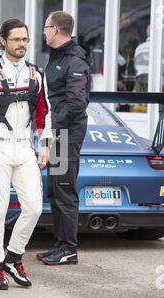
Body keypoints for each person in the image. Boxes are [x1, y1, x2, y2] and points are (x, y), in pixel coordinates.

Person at [0, 19, 52, 290]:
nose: (22, 44)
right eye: (16, 39)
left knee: (34, 207)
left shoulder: (37, 73)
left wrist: (46, 145)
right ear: (3, 40)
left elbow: (44, 113)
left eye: (25, 39)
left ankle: (13, 257)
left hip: (25, 149)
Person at [38, 11, 92, 265]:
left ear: (56, 29)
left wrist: (50, 126)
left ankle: (68, 249)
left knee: (65, 191)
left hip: (65, 136)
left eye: (46, 27)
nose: (43, 31)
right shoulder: (57, 57)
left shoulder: (75, 61)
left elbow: (75, 104)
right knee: (55, 192)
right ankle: (60, 245)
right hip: (56, 135)